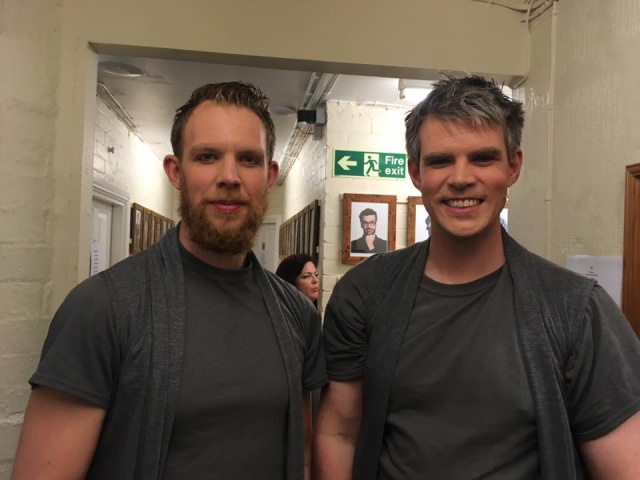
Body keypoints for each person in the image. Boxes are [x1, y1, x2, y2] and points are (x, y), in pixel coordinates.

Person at [314, 75, 640, 480]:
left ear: (513, 167)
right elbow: (339, 433)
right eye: (440, 161)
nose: (461, 178)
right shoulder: (365, 293)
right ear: (416, 172)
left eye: (483, 159)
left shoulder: (576, 310)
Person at [12, 82, 327, 480]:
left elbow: (303, 456)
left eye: (248, 159)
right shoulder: (102, 308)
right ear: (176, 172)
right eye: (207, 156)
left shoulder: (296, 314)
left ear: (269, 176)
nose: (229, 176)